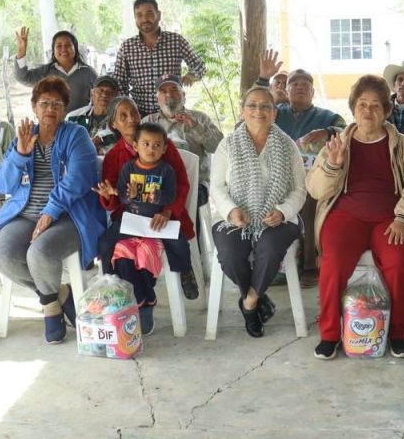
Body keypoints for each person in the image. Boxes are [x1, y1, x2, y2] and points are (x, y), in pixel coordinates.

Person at [306, 75, 404, 360]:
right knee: (333, 261)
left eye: (376, 105)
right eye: (362, 104)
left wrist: (403, 217)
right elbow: (315, 189)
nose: (368, 111)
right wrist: (333, 165)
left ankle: (399, 332)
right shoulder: (338, 143)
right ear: (353, 107)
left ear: (386, 110)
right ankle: (329, 334)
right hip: (346, 215)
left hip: (393, 217)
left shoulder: (403, 144)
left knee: (399, 261)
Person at [0, 76, 106, 344]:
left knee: (39, 253)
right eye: (44, 103)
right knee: (5, 258)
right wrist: (20, 153)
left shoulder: (76, 136)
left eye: (57, 103)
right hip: (25, 214)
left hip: (70, 216)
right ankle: (60, 296)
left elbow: (77, 179)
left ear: (65, 109)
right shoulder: (24, 136)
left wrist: (50, 212)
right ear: (34, 107)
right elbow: (2, 183)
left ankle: (50, 312)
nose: (50, 109)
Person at [96, 98, 199, 334]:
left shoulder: (163, 146)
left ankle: (184, 270)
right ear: (114, 124)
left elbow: (180, 185)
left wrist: (167, 210)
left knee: (176, 241)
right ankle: (114, 288)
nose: (131, 119)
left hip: (163, 215)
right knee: (110, 246)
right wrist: (111, 193)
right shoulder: (115, 157)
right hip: (130, 218)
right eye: (123, 116)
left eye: (133, 113)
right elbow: (115, 200)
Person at [210, 86, 306, 337]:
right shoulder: (227, 145)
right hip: (235, 218)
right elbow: (217, 187)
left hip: (279, 219)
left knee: (270, 247)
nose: (258, 110)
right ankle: (258, 298)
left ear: (274, 113)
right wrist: (231, 212)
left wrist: (283, 211)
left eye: (265, 106)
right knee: (230, 253)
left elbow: (300, 190)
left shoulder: (288, 147)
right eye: (252, 105)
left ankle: (249, 303)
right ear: (243, 111)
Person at [255, 50, 346, 286]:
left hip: (311, 178)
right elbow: (251, 113)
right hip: (274, 177)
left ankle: (308, 264)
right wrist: (264, 80)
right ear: (286, 90)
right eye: (294, 82)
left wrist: (327, 132)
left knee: (309, 195)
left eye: (306, 83)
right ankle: (271, 263)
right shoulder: (274, 114)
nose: (300, 86)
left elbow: (348, 133)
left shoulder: (326, 116)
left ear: (313, 92)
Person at [113, 0, 205, 117]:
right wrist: (127, 110)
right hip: (141, 114)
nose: (144, 19)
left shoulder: (176, 41)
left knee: (175, 137)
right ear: (135, 18)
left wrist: (192, 75)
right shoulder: (127, 47)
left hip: (173, 113)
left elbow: (199, 65)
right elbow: (119, 83)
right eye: (139, 15)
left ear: (159, 15)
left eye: (149, 13)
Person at [141, 75, 223, 206]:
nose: (169, 94)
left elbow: (218, 147)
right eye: (163, 91)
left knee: (186, 202)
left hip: (195, 183)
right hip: (156, 182)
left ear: (183, 95)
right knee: (144, 204)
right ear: (157, 99)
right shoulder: (147, 122)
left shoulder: (200, 118)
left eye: (174, 89)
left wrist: (195, 126)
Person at [13, 26, 96, 111]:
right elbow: (22, 77)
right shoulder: (45, 72)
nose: (63, 49)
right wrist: (21, 51)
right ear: (53, 50)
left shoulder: (88, 73)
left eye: (68, 45)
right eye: (59, 46)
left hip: (81, 124)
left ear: (75, 48)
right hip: (51, 123)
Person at [66, 74, 121, 154]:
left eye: (109, 92)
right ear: (92, 94)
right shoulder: (73, 117)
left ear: (116, 97)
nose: (104, 94)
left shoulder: (121, 121)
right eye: (100, 90)